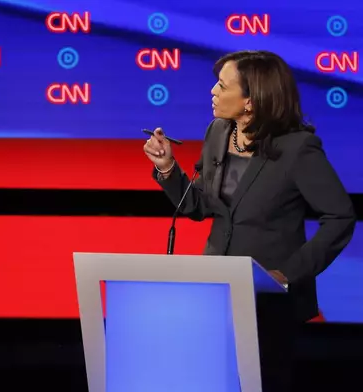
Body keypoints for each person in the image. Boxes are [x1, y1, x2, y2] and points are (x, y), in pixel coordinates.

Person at [143, 50, 355, 391]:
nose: (213, 91)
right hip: (214, 290)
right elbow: (200, 206)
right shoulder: (218, 133)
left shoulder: (298, 149)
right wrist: (168, 168)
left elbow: (340, 218)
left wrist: (287, 274)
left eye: (222, 85)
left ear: (251, 101)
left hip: (268, 301)